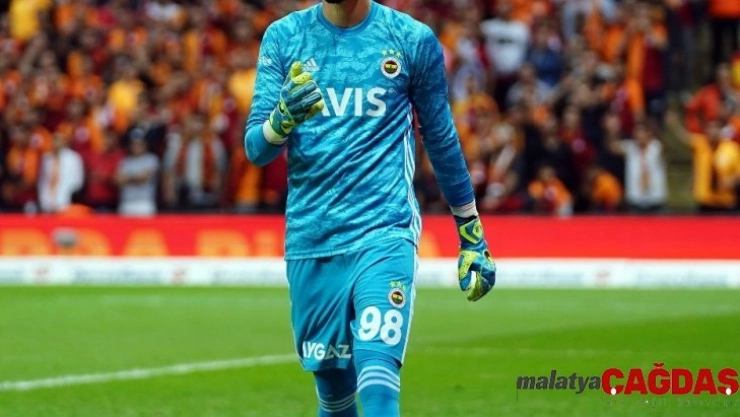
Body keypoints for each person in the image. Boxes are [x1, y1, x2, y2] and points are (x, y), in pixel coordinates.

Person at [243, 1, 498, 416]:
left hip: (384, 232)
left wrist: (472, 234)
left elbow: (441, 139)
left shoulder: (411, 40)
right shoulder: (284, 37)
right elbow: (256, 148)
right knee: (335, 397)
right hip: (313, 240)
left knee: (378, 380)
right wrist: (281, 120)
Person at [116, 137, 159, 217]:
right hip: (127, 202)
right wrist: (136, 176)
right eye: (134, 144)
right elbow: (118, 180)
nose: (136, 147)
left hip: (144, 202)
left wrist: (127, 178)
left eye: (139, 144)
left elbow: (144, 178)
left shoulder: (151, 159)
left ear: (145, 145)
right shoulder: (125, 161)